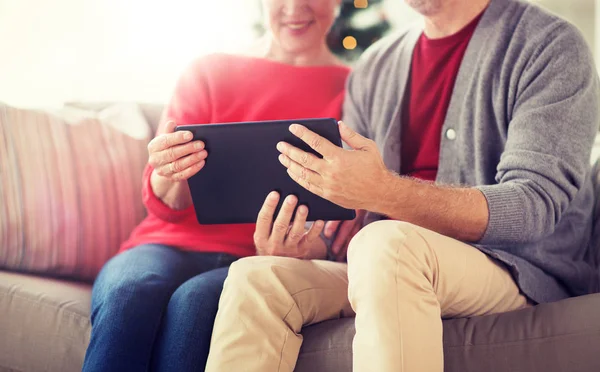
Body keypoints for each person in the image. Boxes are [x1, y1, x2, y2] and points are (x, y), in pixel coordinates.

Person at [205, 0, 600, 371]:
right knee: (256, 276)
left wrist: (382, 190)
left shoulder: (550, 46)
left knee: (386, 245)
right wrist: (313, 245)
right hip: (390, 261)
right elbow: (354, 216)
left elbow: (534, 208)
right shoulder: (376, 64)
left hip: (515, 268)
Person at [82, 0, 348, 371]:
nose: (294, 8)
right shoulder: (209, 71)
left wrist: (302, 250)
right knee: (131, 290)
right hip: (166, 243)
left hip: (256, 261)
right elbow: (163, 204)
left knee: (196, 304)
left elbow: (345, 217)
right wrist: (169, 169)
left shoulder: (356, 88)